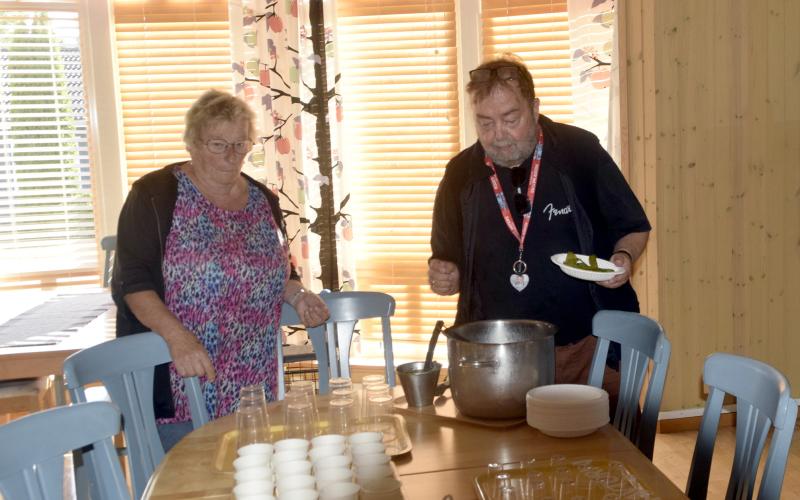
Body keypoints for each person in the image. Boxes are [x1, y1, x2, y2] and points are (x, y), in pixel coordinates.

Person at [111, 89, 329, 450]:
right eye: (218, 144)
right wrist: (177, 338)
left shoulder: (264, 201)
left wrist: (300, 295)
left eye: (240, 144)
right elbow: (132, 283)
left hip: (252, 382)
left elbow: (280, 269)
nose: (231, 155)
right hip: (180, 372)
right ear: (192, 143)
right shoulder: (154, 196)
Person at [428, 55, 650, 395]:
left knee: (609, 447)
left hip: (587, 349)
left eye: (510, 119)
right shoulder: (460, 174)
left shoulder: (580, 152)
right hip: (497, 356)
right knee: (506, 449)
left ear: (534, 108)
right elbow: (447, 260)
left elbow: (633, 225)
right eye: (485, 123)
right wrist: (445, 274)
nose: (499, 135)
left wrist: (623, 257)